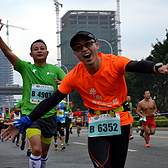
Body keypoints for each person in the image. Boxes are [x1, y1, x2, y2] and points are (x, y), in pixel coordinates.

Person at [2, 30, 168, 168]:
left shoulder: (114, 62)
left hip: (121, 122)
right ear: (75, 54)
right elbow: (50, 101)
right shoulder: (74, 75)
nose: (84, 49)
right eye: (78, 47)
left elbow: (136, 65)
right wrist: (24, 121)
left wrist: (156, 67)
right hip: (96, 123)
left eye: (88, 44)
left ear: (96, 46)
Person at [0, 20, 66, 168]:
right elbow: (8, 52)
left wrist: (64, 84)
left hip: (50, 116)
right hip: (31, 115)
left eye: (42, 48)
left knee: (43, 152)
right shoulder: (25, 68)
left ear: (47, 52)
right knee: (35, 149)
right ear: (31, 54)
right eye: (36, 49)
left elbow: (70, 84)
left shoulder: (56, 70)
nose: (39, 50)